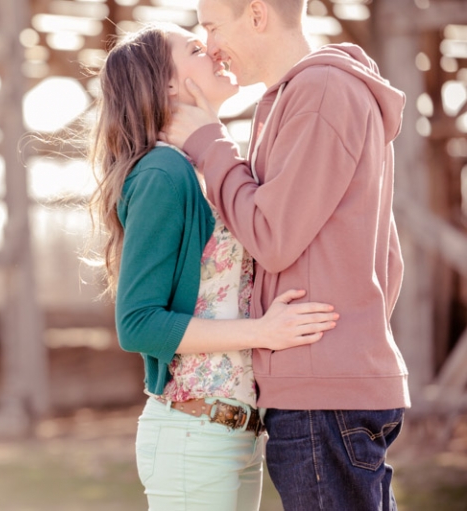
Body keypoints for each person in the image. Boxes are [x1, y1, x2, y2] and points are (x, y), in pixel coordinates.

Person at [160, 1, 410, 510]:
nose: (208, 45)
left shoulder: (320, 93)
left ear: (256, 14)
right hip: (329, 385)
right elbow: (388, 258)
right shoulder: (300, 97)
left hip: (323, 396)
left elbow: (271, 235)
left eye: (211, 27)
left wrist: (210, 144)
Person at [87, 23, 339, 511]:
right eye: (198, 50)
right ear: (169, 85)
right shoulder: (165, 172)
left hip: (236, 436)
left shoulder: (206, 164)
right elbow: (138, 323)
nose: (217, 51)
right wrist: (263, 331)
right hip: (193, 435)